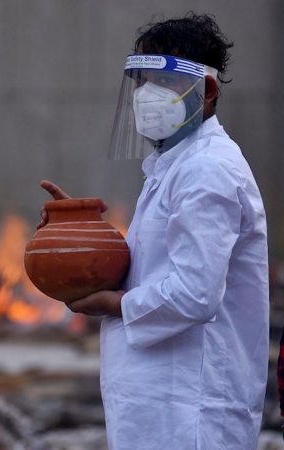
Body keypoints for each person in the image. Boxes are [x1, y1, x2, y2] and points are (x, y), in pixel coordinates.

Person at [37, 13, 269, 449]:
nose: (146, 95)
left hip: (192, 410)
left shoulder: (207, 170)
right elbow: (158, 269)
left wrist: (114, 303)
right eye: (142, 80)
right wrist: (77, 235)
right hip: (162, 404)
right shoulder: (177, 165)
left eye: (163, 82)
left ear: (208, 91)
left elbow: (196, 294)